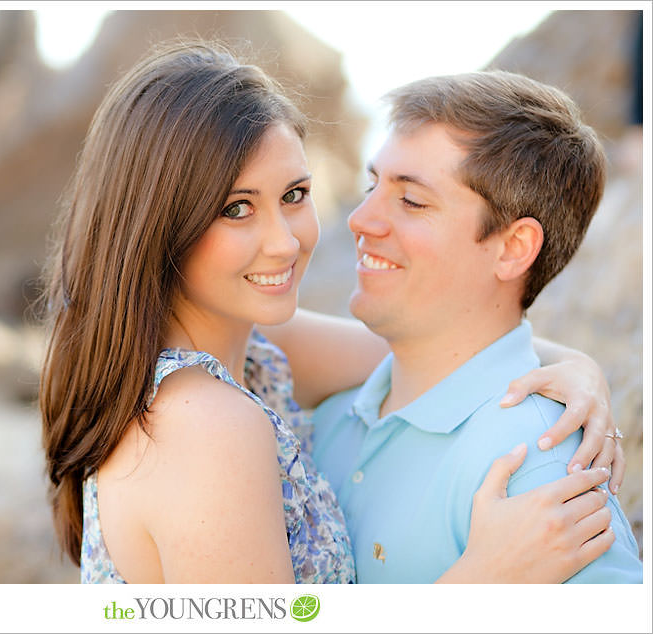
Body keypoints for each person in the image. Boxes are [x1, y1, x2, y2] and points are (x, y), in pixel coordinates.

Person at [39, 41, 620, 584]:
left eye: (294, 195)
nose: (286, 243)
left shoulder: (264, 353)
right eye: (236, 208)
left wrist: (579, 371)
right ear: (159, 225)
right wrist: (476, 586)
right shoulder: (208, 426)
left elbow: (450, 351)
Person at [311, 70, 642, 582]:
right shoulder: (328, 420)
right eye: (372, 185)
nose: (360, 219)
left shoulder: (539, 470)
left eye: (411, 200)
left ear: (513, 249)